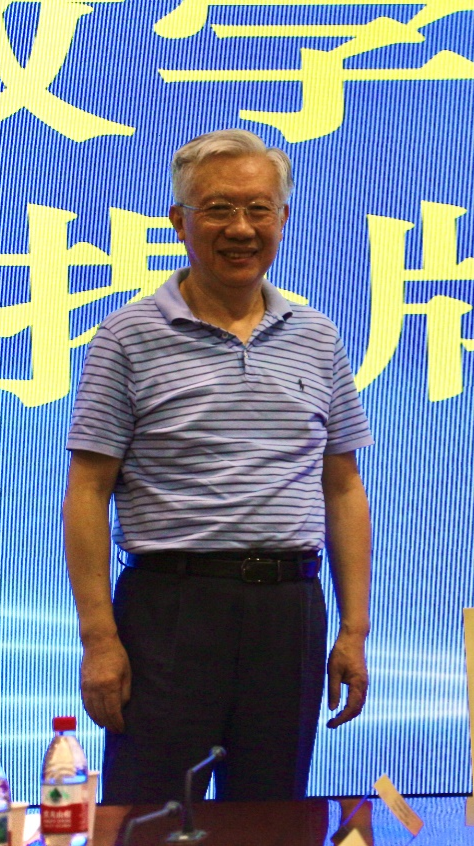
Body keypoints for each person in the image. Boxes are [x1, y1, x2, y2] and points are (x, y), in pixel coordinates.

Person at [62, 129, 373, 802]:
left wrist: (353, 630)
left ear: (283, 219)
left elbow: (343, 487)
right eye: (218, 209)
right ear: (179, 221)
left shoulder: (317, 335)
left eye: (259, 209)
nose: (241, 228)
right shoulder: (127, 336)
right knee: (151, 816)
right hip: (171, 609)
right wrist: (99, 639)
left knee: (270, 816)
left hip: (289, 611)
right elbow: (87, 491)